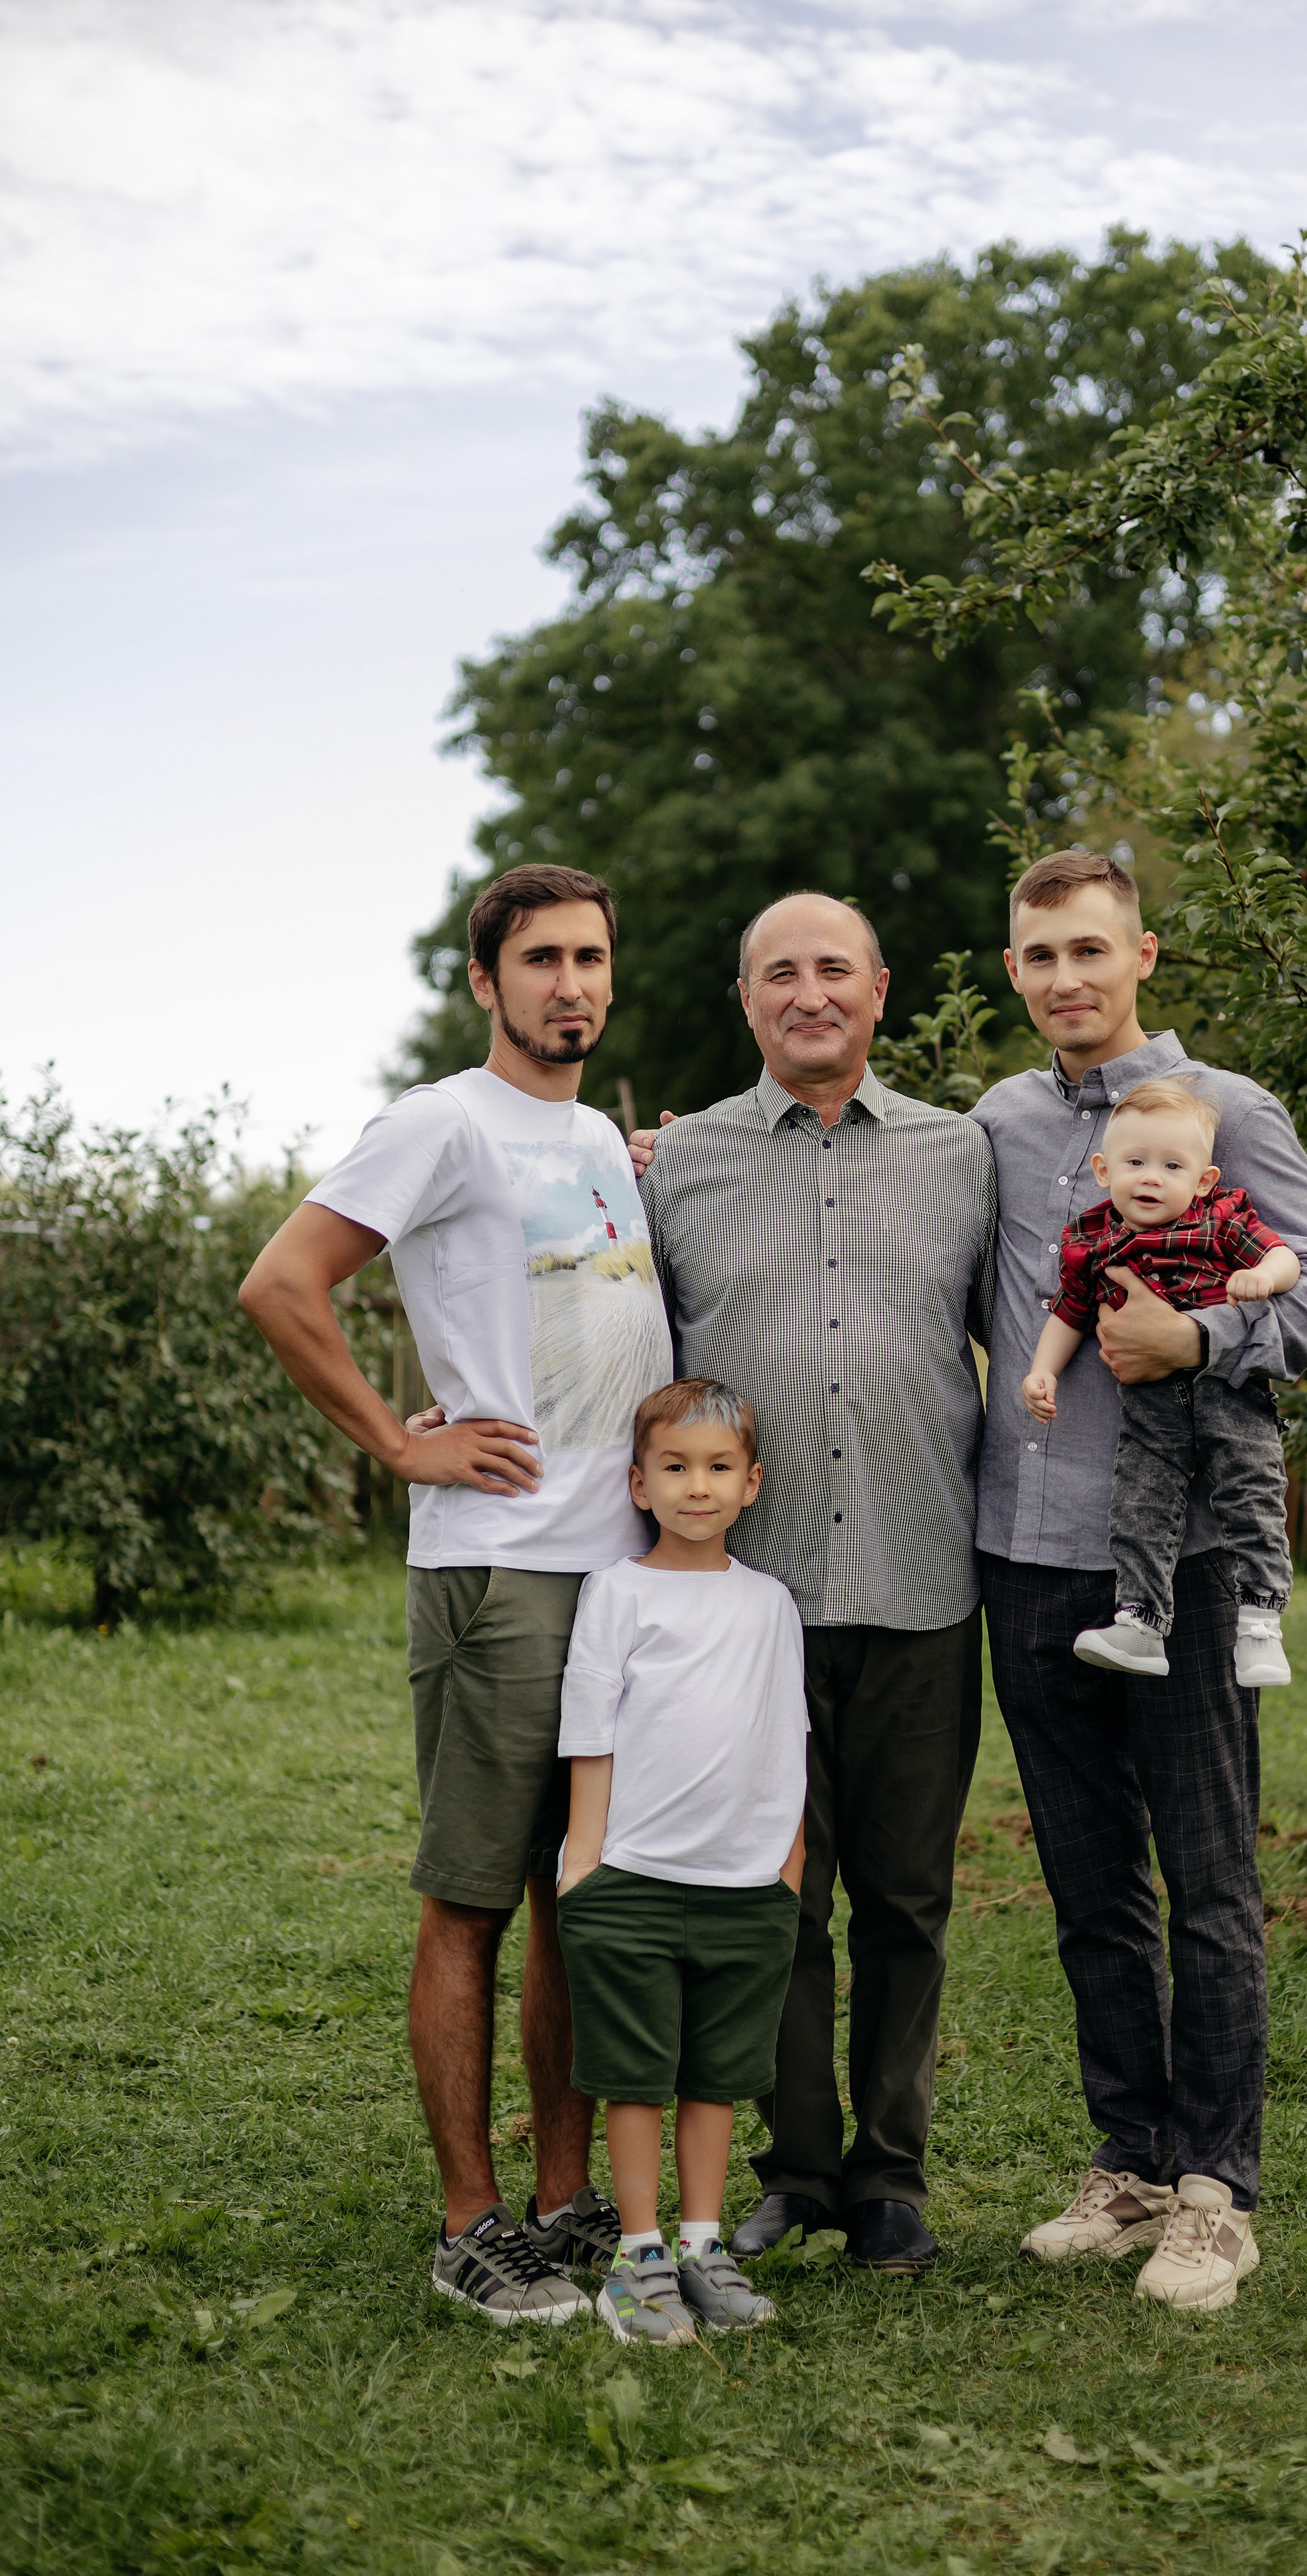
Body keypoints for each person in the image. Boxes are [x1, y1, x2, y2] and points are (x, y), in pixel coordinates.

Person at [239, 862, 672, 2324]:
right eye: (541, 959)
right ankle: (468, 2220)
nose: (572, 984)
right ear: (484, 983)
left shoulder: (602, 1135)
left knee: (577, 1897)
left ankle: (561, 2202)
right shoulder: (437, 1121)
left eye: (591, 958)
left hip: (619, 1577)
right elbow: (284, 1284)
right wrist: (394, 1442)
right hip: (499, 1572)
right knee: (471, 1901)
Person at [970, 847, 1307, 2314]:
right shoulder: (999, 1125)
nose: (1066, 978)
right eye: (1038, 956)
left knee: (1207, 1880)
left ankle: (1216, 2192)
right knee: (1089, 1889)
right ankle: (1129, 2164)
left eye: (1090, 948)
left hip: (1187, 1561)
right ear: (1012, 973)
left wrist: (1202, 1342)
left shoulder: (1226, 1116)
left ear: (1143, 954)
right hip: (1026, 1554)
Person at [629, 891, 995, 2278]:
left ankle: (890, 2181)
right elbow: (631, 1357)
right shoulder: (677, 1167)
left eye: (832, 969)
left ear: (879, 989)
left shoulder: (963, 1157)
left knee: (906, 1900)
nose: (808, 993)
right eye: (777, 974)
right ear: (744, 1004)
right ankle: (796, 2170)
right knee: (775, 1903)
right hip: (750, 1604)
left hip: (920, 1576)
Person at [556, 1377, 807, 2348]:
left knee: (716, 2075)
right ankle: (640, 2256)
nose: (695, 1487)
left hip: (747, 1886)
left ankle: (704, 2247)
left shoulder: (771, 1605)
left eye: (716, 1468)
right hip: (634, 1880)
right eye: (674, 1468)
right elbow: (592, 1723)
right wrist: (587, 1857)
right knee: (638, 2075)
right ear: (638, 1482)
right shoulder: (617, 1592)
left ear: (751, 1483)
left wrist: (788, 1862)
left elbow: (790, 1734)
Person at [1021, 1075, 1302, 1687]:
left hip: (1228, 1389)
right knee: (1140, 1506)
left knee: (1252, 1497)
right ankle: (1142, 1622)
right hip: (1150, 1404)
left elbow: (1285, 1257)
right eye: (1135, 1162)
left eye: (1171, 1165)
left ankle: (1260, 1625)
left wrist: (1266, 1278)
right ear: (1103, 1170)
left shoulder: (1221, 1222)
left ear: (1202, 1180)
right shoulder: (1094, 1241)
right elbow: (1068, 1312)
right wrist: (1042, 1371)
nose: (1151, 1177)